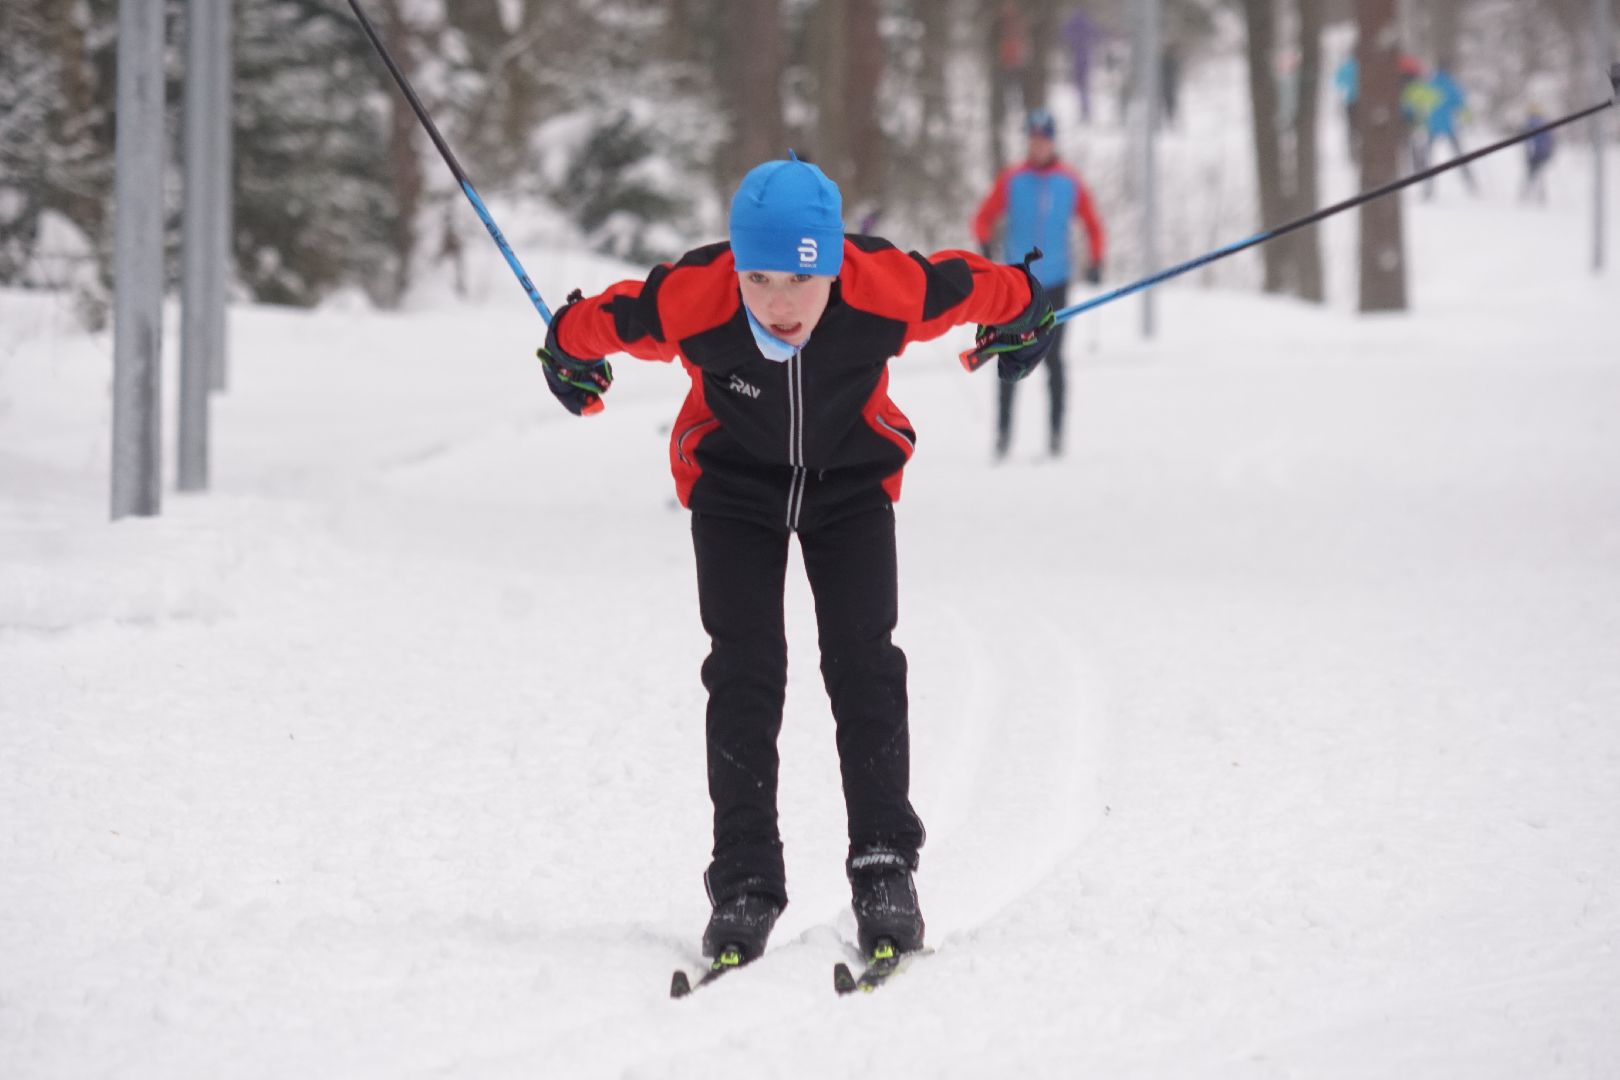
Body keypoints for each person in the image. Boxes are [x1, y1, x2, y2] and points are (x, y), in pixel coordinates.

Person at [535, 153, 1057, 970]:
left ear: (836, 266)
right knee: (745, 671)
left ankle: (884, 866)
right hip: (733, 490)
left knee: (864, 665)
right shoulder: (698, 297)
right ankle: (744, 881)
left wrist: (1025, 305)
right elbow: (617, 316)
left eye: (801, 280)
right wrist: (567, 347)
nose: (779, 304)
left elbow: (970, 284)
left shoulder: (883, 289)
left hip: (849, 487)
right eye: (761, 279)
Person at [971, 108, 1106, 460]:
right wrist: (984, 245)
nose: (1038, 146)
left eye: (1043, 140)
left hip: (1056, 282)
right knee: (1009, 355)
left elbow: (1092, 223)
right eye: (1033, 140)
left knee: (1054, 358)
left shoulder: (1069, 181)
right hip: (1016, 284)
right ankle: (1003, 435)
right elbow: (983, 217)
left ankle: (1057, 435)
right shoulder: (1012, 179)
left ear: (1052, 142)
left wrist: (1096, 258)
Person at [1521, 107, 1556, 204]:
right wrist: (1549, 152)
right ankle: (1540, 196)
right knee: (1540, 175)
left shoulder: (1530, 124)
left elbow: (1528, 140)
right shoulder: (1544, 123)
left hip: (1534, 153)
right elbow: (1551, 140)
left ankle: (1527, 195)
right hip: (1542, 153)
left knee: (1531, 174)